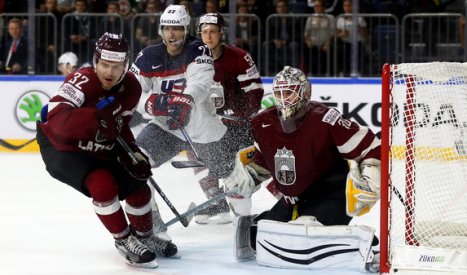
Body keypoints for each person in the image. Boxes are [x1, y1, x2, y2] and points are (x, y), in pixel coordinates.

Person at [36, 32, 177, 269]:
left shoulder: (131, 87)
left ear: (126, 65)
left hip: (98, 142)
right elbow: (54, 117)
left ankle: (144, 237)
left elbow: (118, 128)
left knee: (138, 186)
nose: (109, 72)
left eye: (116, 66)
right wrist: (95, 118)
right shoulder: (83, 80)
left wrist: (133, 152)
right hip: (62, 146)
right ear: (95, 62)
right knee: (102, 184)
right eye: (104, 65)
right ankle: (123, 240)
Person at [223, 66, 381, 270]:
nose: (283, 98)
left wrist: (369, 177)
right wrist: (247, 175)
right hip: (292, 200)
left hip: (330, 194)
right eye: (279, 92)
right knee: (254, 237)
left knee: (307, 238)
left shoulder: (326, 120)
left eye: (288, 92)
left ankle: (371, 248)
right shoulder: (263, 122)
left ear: (305, 92)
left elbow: (372, 148)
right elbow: (264, 160)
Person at [129, 5, 234, 232]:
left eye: (177, 28)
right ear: (161, 30)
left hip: (202, 126)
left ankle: (225, 205)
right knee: (135, 165)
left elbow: (200, 82)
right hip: (167, 127)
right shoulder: (148, 56)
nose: (172, 34)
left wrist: (185, 100)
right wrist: (149, 103)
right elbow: (131, 90)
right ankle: (151, 221)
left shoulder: (198, 50)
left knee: (231, 175)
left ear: (186, 29)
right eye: (167, 28)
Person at [192, 12, 264, 223]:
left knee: (239, 168)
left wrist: (240, 115)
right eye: (204, 32)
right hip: (210, 125)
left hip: (237, 126)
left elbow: (255, 93)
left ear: (221, 33)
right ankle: (217, 204)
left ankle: (243, 211)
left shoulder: (239, 57)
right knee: (197, 155)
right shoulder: (193, 61)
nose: (209, 36)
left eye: (213, 31)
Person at [303, 0, 335, 76]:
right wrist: (308, 41)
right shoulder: (310, 18)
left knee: (328, 50)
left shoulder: (330, 18)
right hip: (313, 43)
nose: (317, 8)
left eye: (319, 6)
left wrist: (327, 43)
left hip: (325, 43)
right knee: (307, 49)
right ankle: (311, 73)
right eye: (315, 6)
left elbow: (332, 32)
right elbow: (306, 33)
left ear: (324, 7)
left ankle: (326, 73)